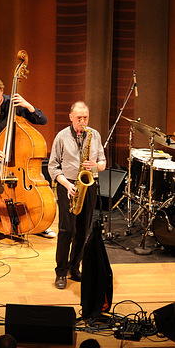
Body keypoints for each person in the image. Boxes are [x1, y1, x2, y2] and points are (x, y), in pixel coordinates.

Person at [0, 76, 56, 239]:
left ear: (3, 90)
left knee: (39, 180)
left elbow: (43, 120)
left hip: (17, 156)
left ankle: (39, 224)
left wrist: (29, 106)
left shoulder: (15, 103)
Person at [48, 102, 106, 289]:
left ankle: (75, 267)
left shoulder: (94, 135)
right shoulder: (61, 137)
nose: (82, 121)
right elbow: (52, 166)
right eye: (79, 118)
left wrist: (95, 165)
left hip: (88, 185)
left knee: (83, 230)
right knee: (67, 230)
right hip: (68, 185)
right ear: (71, 117)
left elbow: (103, 162)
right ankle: (61, 271)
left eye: (85, 118)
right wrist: (66, 184)